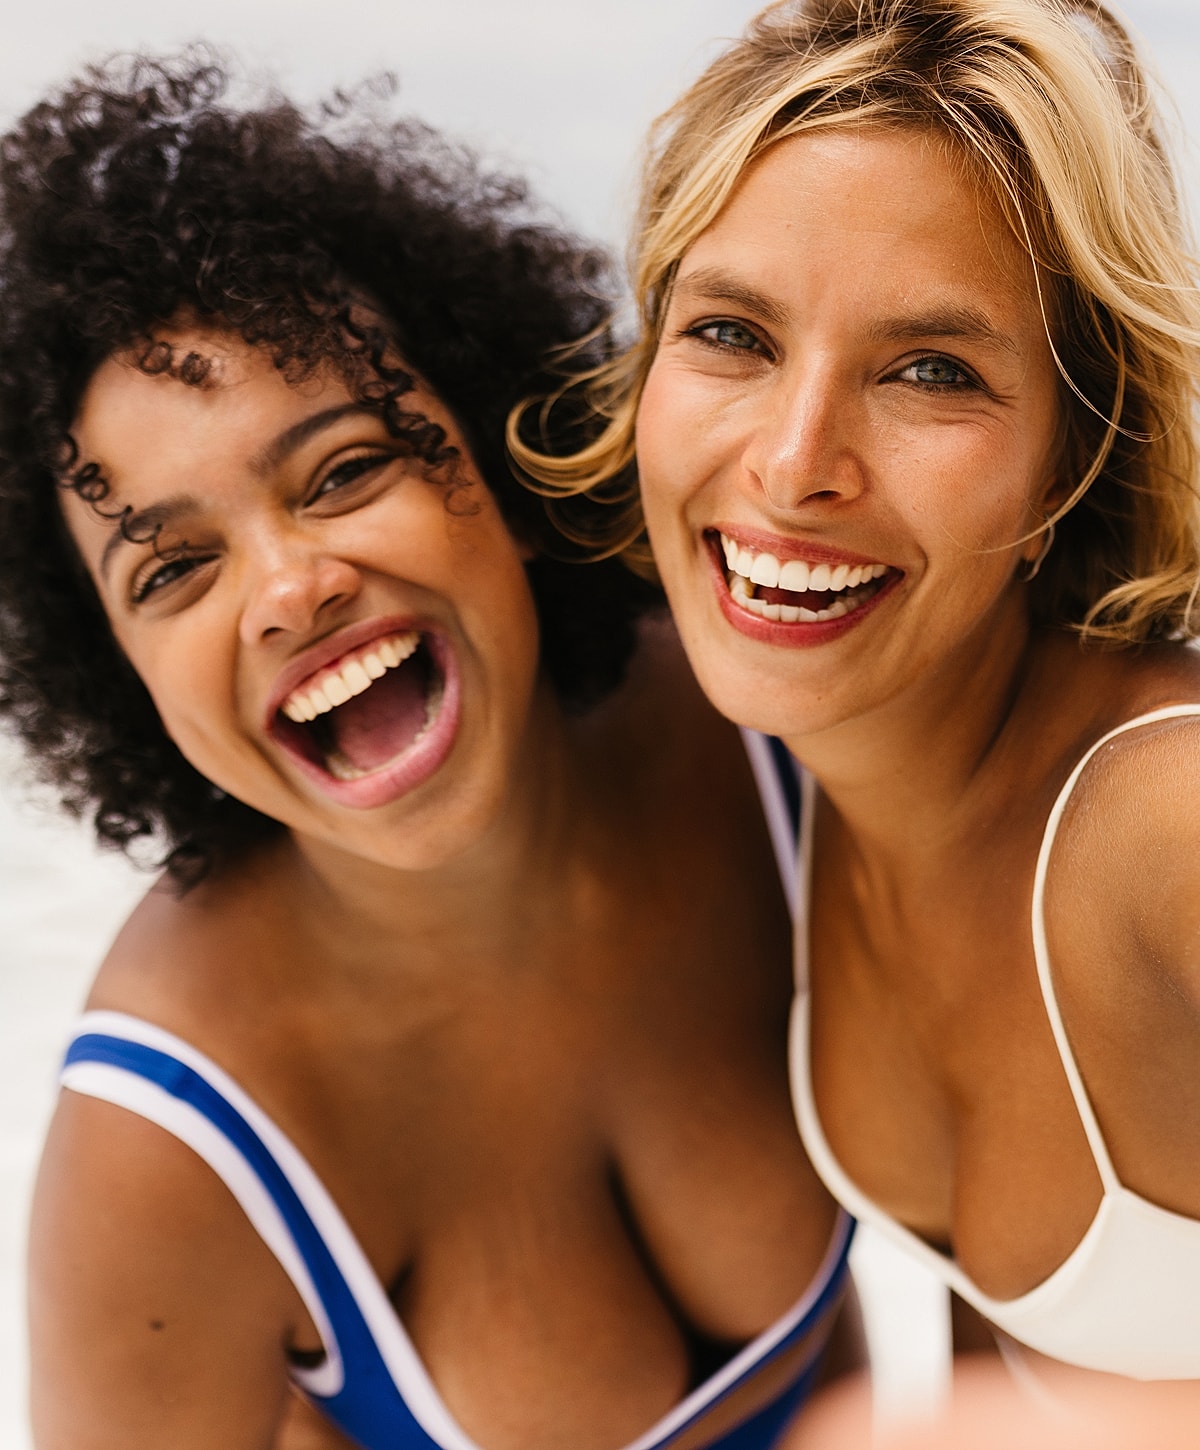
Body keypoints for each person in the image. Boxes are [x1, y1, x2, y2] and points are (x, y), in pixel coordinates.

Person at [0, 55, 854, 1450]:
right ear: (124, 677)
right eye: (174, 571)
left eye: (344, 470)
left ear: (502, 464)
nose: (288, 588)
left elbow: (1028, 1313)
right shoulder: (169, 1148)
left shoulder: (764, 737)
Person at [516, 0, 1200, 1398]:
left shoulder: (1163, 826)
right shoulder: (798, 781)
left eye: (930, 369)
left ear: (1071, 452)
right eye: (734, 336)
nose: (793, 460)